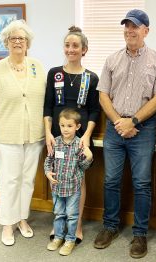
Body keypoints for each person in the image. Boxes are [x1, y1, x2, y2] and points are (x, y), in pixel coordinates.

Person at [93, 9, 156, 259]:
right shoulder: (112, 59)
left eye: (135, 27)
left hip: (144, 128)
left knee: (142, 183)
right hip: (115, 128)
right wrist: (119, 121)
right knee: (110, 181)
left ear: (146, 30)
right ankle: (110, 227)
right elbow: (103, 93)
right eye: (127, 26)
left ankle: (139, 234)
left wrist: (134, 120)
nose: (130, 31)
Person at [0, 19, 46, 246]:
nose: (18, 42)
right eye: (13, 39)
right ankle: (7, 224)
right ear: (6, 43)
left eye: (22, 38)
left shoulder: (37, 66)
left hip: (33, 137)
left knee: (27, 181)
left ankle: (21, 219)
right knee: (9, 182)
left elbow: (45, 101)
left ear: (28, 43)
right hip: (6, 138)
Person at [44, 26, 100, 244]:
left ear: (84, 49)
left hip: (79, 136)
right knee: (56, 178)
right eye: (67, 45)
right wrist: (48, 132)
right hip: (57, 135)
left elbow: (94, 110)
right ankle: (58, 225)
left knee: (78, 179)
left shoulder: (91, 78)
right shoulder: (54, 73)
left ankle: (76, 227)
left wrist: (86, 136)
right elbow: (48, 106)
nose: (71, 49)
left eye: (75, 45)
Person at [44, 108, 93, 256]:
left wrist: (88, 158)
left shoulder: (79, 145)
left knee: (72, 215)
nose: (65, 129)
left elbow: (83, 167)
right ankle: (58, 237)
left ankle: (70, 239)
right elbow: (48, 161)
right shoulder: (56, 142)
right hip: (58, 187)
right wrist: (47, 172)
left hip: (73, 188)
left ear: (77, 127)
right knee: (59, 213)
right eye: (62, 125)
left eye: (69, 126)